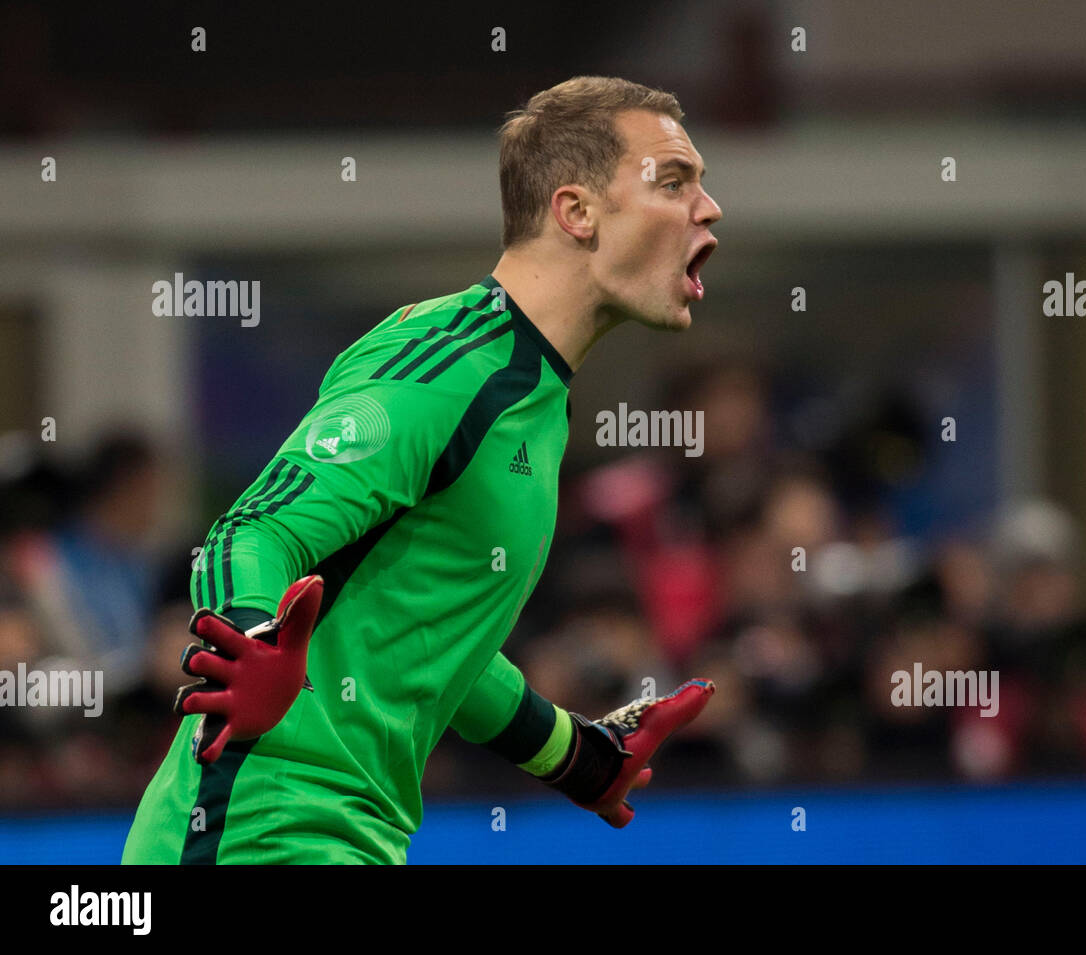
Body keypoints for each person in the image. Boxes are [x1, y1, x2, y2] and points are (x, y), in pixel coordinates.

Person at [121, 75, 722, 864]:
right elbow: (254, 526)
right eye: (673, 182)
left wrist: (575, 754)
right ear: (576, 212)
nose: (708, 208)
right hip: (255, 829)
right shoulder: (448, 365)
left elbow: (429, 637)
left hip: (345, 835)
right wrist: (249, 635)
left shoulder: (534, 398)